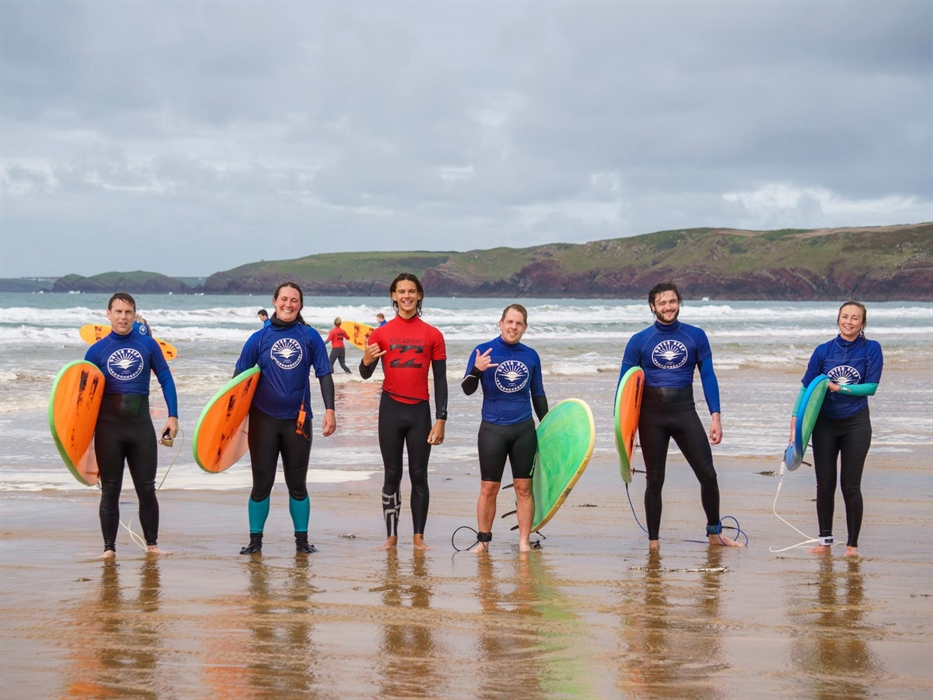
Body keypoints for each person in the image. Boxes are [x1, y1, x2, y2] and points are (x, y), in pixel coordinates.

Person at [617, 282, 743, 549]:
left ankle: (714, 533)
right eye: (662, 302)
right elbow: (623, 391)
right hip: (651, 419)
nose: (668, 307)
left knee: (708, 474)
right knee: (655, 480)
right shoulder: (638, 341)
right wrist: (624, 440)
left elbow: (708, 376)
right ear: (653, 307)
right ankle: (653, 542)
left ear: (679, 303)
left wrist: (716, 416)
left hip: (685, 413)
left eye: (672, 301)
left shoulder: (695, 336)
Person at [235, 282, 337, 555]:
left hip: (298, 422)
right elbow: (238, 380)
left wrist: (330, 410)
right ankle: (255, 542)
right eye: (284, 299)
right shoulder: (258, 338)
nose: (288, 304)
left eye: (294, 300)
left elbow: (324, 373)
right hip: (263, 421)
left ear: (300, 305)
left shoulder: (310, 337)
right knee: (261, 485)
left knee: (298, 485)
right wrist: (229, 420)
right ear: (274, 301)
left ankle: (302, 542)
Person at [84, 292, 178, 559]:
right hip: (108, 430)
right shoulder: (96, 351)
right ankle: (109, 549)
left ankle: (152, 545)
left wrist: (173, 416)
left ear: (134, 315)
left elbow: (166, 379)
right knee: (110, 490)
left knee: (147, 488)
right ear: (108, 314)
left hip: (140, 429)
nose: (123, 317)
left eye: (128, 312)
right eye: (118, 312)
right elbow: (82, 394)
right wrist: (79, 435)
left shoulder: (148, 345)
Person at [360, 273, 448, 550]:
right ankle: (391, 536)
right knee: (391, 475)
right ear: (394, 296)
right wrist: (366, 358)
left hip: (420, 412)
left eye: (412, 291)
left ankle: (418, 537)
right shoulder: (381, 333)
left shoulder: (433, 334)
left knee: (419, 475)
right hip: (390, 410)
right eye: (401, 291)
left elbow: (441, 380)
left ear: (419, 295)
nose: (407, 296)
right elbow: (364, 374)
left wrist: (441, 418)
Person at [791, 301, 882, 557]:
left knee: (850, 486)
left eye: (855, 318)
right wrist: (795, 423)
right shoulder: (823, 351)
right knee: (825, 484)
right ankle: (825, 542)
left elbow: (871, 387)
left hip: (856, 423)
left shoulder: (871, 349)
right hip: (825, 425)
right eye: (845, 317)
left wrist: (838, 388)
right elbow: (805, 388)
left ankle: (852, 546)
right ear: (838, 319)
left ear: (862, 323)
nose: (849, 322)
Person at [462, 304, 548, 553]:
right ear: (501, 323)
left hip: (523, 430)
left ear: (525, 327)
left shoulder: (531, 356)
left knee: (524, 488)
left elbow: (539, 395)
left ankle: (523, 541)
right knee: (489, 488)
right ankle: (483, 541)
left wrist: (549, 426)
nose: (513, 327)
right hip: (492, 429)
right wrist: (477, 370)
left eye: (518, 323)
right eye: (509, 322)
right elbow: (467, 389)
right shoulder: (483, 351)